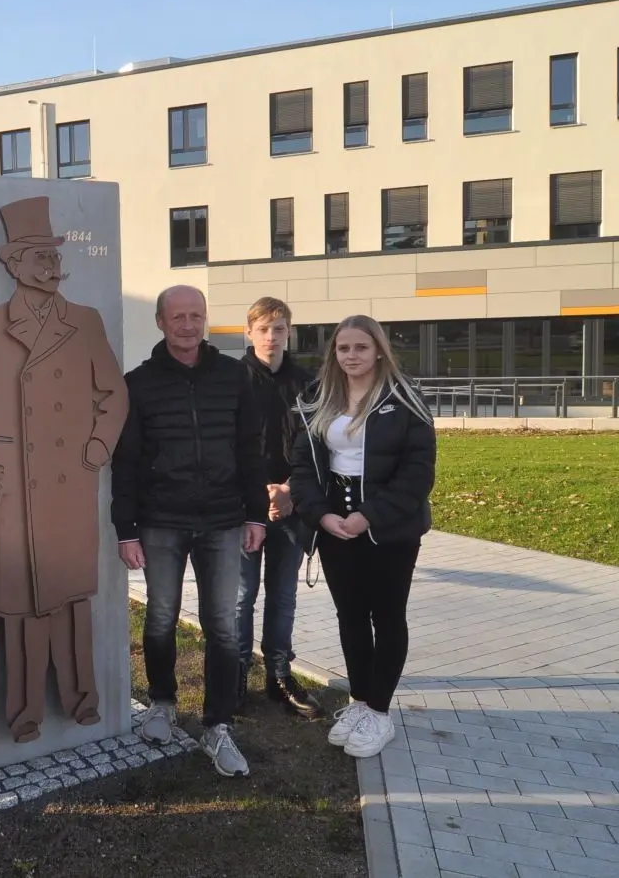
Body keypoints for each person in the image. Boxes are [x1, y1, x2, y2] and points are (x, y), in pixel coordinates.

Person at [0, 197, 128, 745]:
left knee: (74, 600)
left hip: (69, 483)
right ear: (13, 264)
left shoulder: (85, 321)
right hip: (14, 491)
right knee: (22, 608)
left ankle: (83, 701)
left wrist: (98, 446)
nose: (51, 266)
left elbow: (114, 392)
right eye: (37, 257)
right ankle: (23, 713)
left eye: (54, 256)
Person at [110, 284, 269, 777]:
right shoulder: (137, 383)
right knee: (160, 618)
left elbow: (250, 449)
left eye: (195, 315)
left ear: (205, 320)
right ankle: (162, 702)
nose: (187, 324)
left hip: (223, 520)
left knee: (222, 624)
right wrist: (126, 529)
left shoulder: (234, 376)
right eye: (177, 316)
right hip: (162, 522)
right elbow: (127, 462)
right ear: (160, 322)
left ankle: (217, 726)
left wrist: (256, 513)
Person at [288, 314, 436, 759]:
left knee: (387, 617)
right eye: (343, 348)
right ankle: (358, 699)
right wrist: (319, 516)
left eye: (360, 348)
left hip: (389, 527)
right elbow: (301, 465)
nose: (351, 356)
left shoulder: (404, 397)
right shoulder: (317, 397)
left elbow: (418, 472)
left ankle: (379, 710)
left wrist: (369, 516)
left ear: (378, 351)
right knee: (349, 616)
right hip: (335, 525)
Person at [235, 298, 323, 720]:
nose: (272, 337)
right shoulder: (231, 380)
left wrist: (288, 490)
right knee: (241, 595)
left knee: (283, 596)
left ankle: (278, 674)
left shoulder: (308, 384)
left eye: (280, 328)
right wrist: (261, 494)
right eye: (264, 328)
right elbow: (225, 448)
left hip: (293, 507)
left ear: (290, 332)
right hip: (244, 509)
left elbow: (317, 446)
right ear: (248, 332)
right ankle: (235, 672)